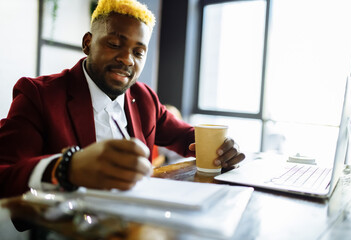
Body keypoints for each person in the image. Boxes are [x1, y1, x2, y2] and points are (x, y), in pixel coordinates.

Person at [0, 0, 245, 198]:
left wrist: (222, 149)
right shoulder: (39, 95)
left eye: (139, 52)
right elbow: (5, 174)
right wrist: (66, 167)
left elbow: (184, 136)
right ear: (88, 43)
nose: (128, 59)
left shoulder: (144, 98)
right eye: (115, 44)